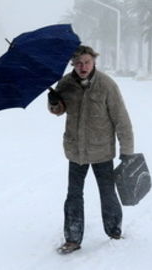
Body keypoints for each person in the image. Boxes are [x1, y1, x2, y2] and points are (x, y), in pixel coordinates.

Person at [47, 45, 135, 255]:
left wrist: (127, 150)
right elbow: (59, 111)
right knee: (74, 195)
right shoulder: (66, 83)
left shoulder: (106, 85)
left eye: (86, 62)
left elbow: (121, 119)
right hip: (76, 151)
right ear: (73, 64)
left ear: (94, 61)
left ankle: (114, 231)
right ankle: (73, 238)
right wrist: (53, 103)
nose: (82, 66)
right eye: (78, 63)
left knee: (107, 193)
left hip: (102, 151)